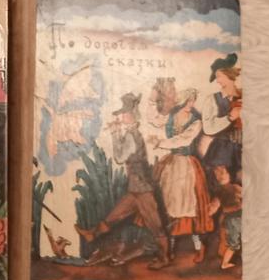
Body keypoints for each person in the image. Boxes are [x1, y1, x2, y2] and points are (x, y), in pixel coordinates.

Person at [75, 93, 170, 269]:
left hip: (142, 190)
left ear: (132, 114)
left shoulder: (132, 135)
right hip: (135, 188)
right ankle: (91, 235)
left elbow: (119, 157)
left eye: (124, 113)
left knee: (155, 226)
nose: (121, 117)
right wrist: (117, 132)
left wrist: (114, 133)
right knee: (113, 217)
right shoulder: (130, 134)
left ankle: (164, 258)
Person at [148, 88, 214, 262]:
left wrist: (160, 143)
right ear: (183, 100)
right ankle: (169, 249)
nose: (191, 104)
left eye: (193, 100)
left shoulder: (196, 121)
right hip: (171, 165)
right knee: (170, 204)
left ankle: (199, 247)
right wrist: (151, 101)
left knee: (189, 205)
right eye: (188, 100)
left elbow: (184, 140)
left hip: (186, 165)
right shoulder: (171, 116)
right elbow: (154, 120)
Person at [198, 53, 242, 180]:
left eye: (218, 76)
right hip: (222, 152)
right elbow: (208, 128)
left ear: (229, 74)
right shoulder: (211, 100)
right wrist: (229, 118)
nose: (217, 81)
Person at [208, 165, 242, 269]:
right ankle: (224, 263)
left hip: (230, 218)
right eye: (225, 173)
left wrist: (208, 212)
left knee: (233, 242)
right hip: (235, 218)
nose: (225, 175)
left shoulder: (219, 192)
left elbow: (213, 207)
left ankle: (225, 261)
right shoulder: (235, 187)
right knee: (234, 243)